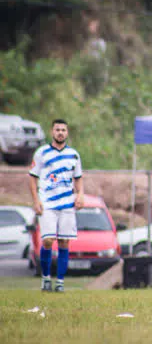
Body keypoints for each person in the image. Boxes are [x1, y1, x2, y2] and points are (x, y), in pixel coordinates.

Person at [28, 119, 84, 292]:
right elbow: (32, 177)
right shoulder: (42, 153)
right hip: (48, 204)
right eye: (57, 129)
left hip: (67, 204)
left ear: (67, 133)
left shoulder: (74, 155)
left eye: (63, 130)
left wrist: (80, 194)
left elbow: (79, 178)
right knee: (47, 241)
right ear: (52, 132)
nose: (60, 132)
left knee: (64, 242)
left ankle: (60, 282)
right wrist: (36, 200)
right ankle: (46, 278)